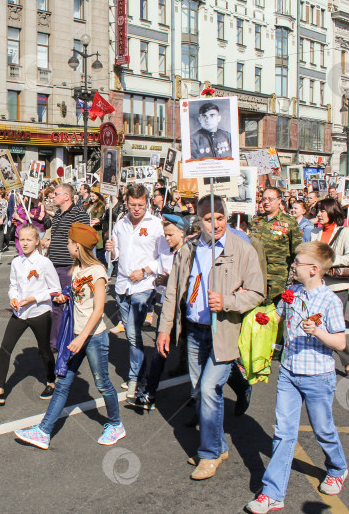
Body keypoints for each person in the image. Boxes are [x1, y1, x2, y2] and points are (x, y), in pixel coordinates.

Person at [157, 195, 264, 480]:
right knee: (200, 392)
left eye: (220, 217)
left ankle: (210, 454)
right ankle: (219, 444)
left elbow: (257, 291)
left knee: (208, 390)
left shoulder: (242, 249)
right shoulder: (188, 248)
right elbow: (173, 292)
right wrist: (164, 328)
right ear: (198, 221)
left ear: (226, 217)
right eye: (208, 219)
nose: (215, 224)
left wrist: (228, 301)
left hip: (224, 333)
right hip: (194, 331)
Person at [243, 242, 348, 513]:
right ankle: (273, 493)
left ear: (313, 270)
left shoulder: (330, 301)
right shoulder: (291, 293)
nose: (292, 265)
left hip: (318, 377)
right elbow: (275, 317)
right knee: (283, 434)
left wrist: (319, 332)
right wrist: (261, 322)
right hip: (289, 373)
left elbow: (339, 342)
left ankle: (337, 468)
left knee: (323, 430)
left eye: (297, 262)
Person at [14, 223, 125, 449]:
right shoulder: (77, 271)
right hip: (76, 335)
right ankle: (44, 431)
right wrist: (66, 298)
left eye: (69, 242)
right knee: (63, 383)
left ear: (78, 246)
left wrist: (82, 337)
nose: (66, 246)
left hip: (93, 337)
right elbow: (80, 300)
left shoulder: (97, 272)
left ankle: (115, 424)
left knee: (103, 383)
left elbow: (98, 309)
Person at [0, 225, 60, 405]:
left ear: (37, 241)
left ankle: (51, 382)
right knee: (5, 348)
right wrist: (13, 298)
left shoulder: (44, 262)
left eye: (29, 240)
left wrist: (35, 298)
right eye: (21, 239)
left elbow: (55, 290)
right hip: (20, 312)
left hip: (39, 312)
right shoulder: (16, 261)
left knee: (45, 350)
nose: (24, 243)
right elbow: (13, 286)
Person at [105, 184, 168, 397]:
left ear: (147, 203)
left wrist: (146, 270)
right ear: (126, 203)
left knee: (132, 332)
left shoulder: (156, 225)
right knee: (134, 334)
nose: (137, 209)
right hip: (122, 285)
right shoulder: (120, 223)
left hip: (144, 285)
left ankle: (135, 378)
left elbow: (165, 257)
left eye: (141, 205)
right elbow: (116, 255)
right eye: (133, 205)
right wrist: (112, 251)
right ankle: (140, 374)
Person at [132, 215, 186, 409]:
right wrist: (160, 281)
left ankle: (238, 384)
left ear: (183, 232)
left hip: (188, 310)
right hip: (169, 307)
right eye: (165, 234)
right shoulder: (167, 252)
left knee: (200, 354)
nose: (168, 238)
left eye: (171, 234)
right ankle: (149, 393)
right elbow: (160, 269)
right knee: (160, 348)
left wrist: (168, 281)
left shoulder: (192, 253)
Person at [310, 199, 349, 378]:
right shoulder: (314, 232)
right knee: (315, 325)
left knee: (333, 328)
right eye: (317, 211)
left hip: (337, 288)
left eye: (322, 211)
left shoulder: (344, 232)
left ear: (332, 211)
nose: (319, 214)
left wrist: (329, 261)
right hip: (317, 287)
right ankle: (319, 362)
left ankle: (347, 359)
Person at [41, 184, 90, 348]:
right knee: (55, 304)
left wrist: (80, 266)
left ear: (66, 196)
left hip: (69, 266)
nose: (52, 196)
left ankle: (69, 340)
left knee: (69, 305)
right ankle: (55, 340)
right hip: (54, 265)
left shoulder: (79, 214)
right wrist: (49, 243)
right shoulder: (58, 215)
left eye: (56, 194)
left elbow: (83, 242)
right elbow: (59, 238)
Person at [251, 187, 302, 304]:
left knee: (274, 310)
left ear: (279, 200)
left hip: (277, 275)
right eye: (264, 199)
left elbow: (297, 249)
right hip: (256, 272)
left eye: (270, 199)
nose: (266, 202)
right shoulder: (256, 220)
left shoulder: (288, 222)